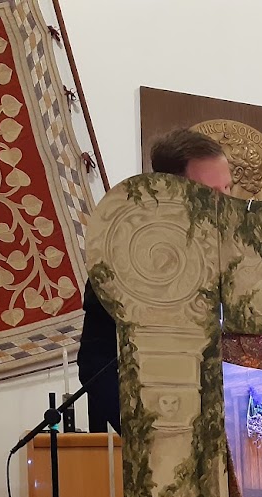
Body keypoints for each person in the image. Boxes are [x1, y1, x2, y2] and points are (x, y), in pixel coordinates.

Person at [78, 130, 233, 433]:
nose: (227, 205)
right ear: (170, 192)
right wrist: (150, 434)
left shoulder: (245, 254)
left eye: (228, 188)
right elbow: (96, 364)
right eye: (212, 193)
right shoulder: (121, 264)